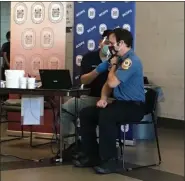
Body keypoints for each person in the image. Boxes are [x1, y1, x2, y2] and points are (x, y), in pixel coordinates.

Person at [74, 28, 145, 174]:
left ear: (122, 43)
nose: (109, 47)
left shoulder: (130, 61)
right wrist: (103, 99)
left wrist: (112, 65)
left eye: (112, 43)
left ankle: (109, 160)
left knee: (107, 116)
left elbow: (112, 82)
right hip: (119, 103)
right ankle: (91, 155)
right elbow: (106, 84)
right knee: (87, 113)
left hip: (134, 106)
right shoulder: (116, 60)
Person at [61, 30, 113, 146]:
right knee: (65, 110)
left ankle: (99, 146)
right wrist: (98, 70)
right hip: (90, 97)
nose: (109, 46)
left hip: (110, 99)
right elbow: (84, 80)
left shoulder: (117, 60)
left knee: (97, 115)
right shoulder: (89, 57)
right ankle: (71, 145)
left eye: (112, 44)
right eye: (107, 42)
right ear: (101, 42)